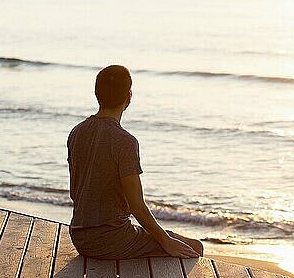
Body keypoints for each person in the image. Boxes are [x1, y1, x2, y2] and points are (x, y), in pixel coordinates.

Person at [66, 65, 203, 259]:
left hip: (79, 237)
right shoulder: (125, 141)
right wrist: (166, 241)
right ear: (129, 96)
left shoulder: (77, 132)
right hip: (112, 241)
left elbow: (75, 193)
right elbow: (136, 205)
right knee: (194, 247)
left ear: (96, 94)